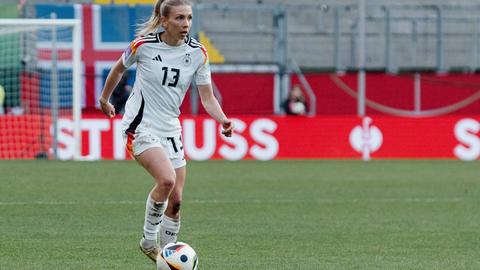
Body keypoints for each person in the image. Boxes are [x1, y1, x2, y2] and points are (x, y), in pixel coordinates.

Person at [98, 0, 233, 263]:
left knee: (177, 202)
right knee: (167, 180)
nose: (186, 24)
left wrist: (223, 119)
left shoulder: (198, 53)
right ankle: (149, 241)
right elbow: (118, 68)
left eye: (189, 18)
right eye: (180, 18)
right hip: (141, 125)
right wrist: (105, 99)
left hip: (171, 128)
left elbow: (207, 98)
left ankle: (167, 257)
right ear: (164, 21)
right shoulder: (143, 45)